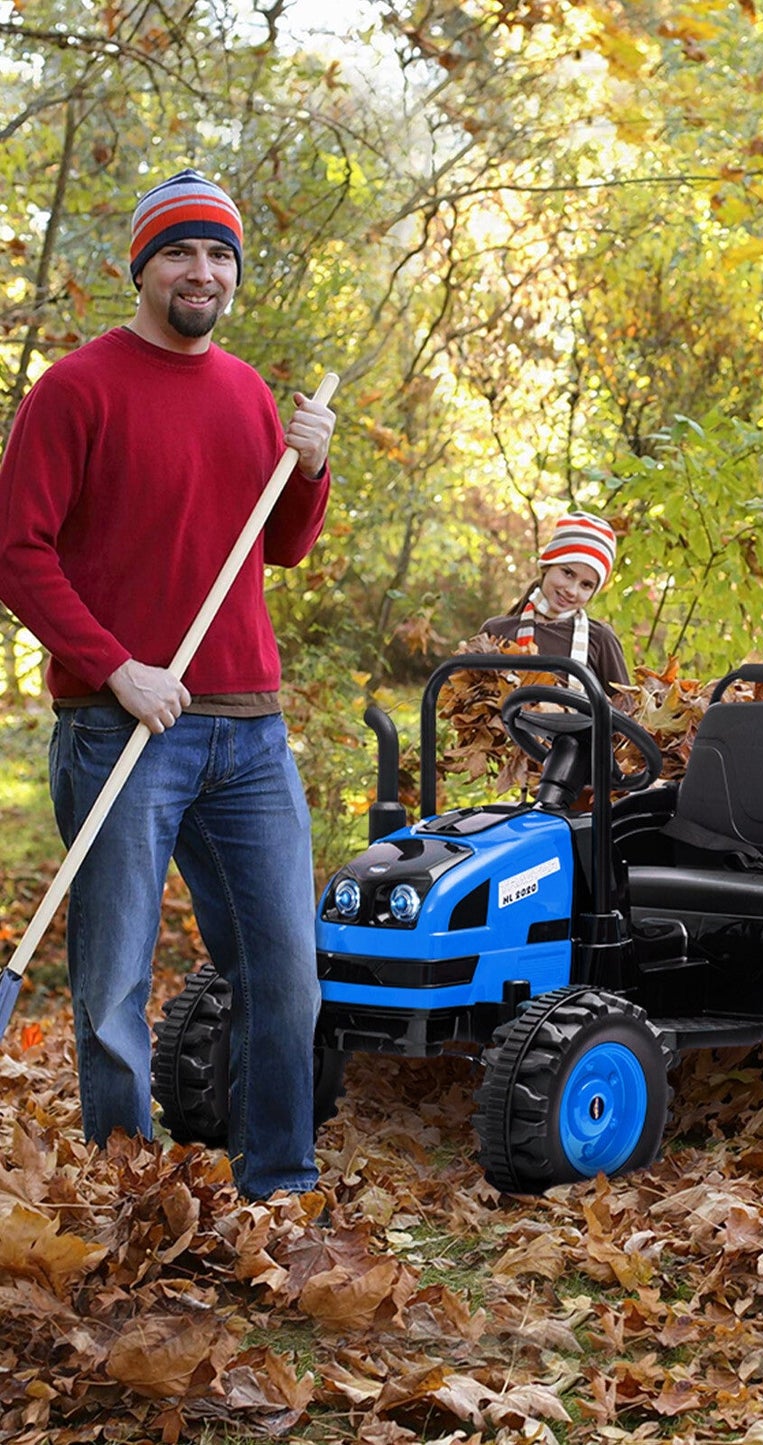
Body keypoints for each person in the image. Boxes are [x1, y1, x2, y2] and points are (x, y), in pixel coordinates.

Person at [0, 169, 337, 1201]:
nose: (203, 271)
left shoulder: (243, 391)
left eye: (220, 254)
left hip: (249, 730)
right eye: (182, 253)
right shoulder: (77, 388)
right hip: (119, 729)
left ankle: (278, 1181)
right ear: (141, 267)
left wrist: (312, 469)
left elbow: (277, 547)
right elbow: (17, 550)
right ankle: (124, 1192)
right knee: (112, 990)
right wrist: (115, 667)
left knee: (285, 973)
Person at [481, 511, 631, 693]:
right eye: (568, 573)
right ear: (547, 566)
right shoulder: (498, 632)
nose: (571, 590)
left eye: (586, 585)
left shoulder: (600, 640)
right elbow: (470, 705)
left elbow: (625, 709)